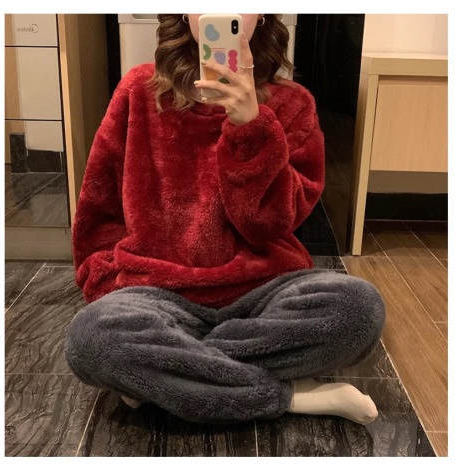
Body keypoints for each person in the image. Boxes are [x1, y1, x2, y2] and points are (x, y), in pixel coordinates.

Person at [64, 14, 386, 426]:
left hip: (265, 290)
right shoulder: (138, 91)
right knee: (92, 338)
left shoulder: (293, 103)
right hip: (155, 291)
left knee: (358, 309)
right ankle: (295, 397)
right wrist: (105, 281)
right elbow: (99, 208)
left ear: (263, 13)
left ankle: (164, 376)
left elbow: (269, 225)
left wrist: (251, 127)